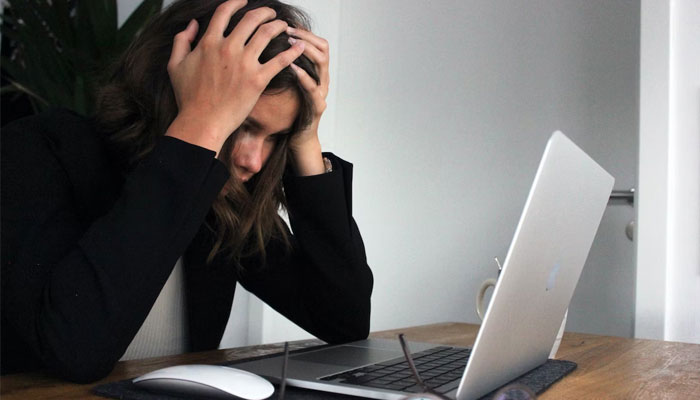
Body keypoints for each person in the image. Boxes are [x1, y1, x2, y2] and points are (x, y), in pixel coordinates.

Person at [0, 0, 373, 383]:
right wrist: (200, 124)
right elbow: (74, 351)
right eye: (241, 123)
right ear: (172, 86)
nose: (254, 161)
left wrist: (305, 139)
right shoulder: (34, 151)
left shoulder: (219, 201)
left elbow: (343, 320)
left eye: (275, 138)